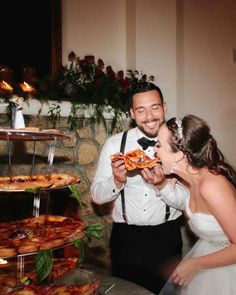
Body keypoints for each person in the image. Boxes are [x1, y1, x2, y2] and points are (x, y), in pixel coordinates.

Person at [90, 82, 189, 294]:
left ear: (164, 107)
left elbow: (188, 201)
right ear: (132, 113)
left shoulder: (181, 145)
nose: (149, 116)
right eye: (141, 110)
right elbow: (97, 196)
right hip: (126, 239)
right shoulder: (115, 144)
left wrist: (162, 185)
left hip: (167, 238)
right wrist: (116, 181)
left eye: (155, 107)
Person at [141, 114, 236, 294]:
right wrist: (160, 184)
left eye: (159, 145)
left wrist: (195, 264)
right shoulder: (190, 180)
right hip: (209, 258)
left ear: (178, 155)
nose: (155, 150)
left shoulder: (212, 186)